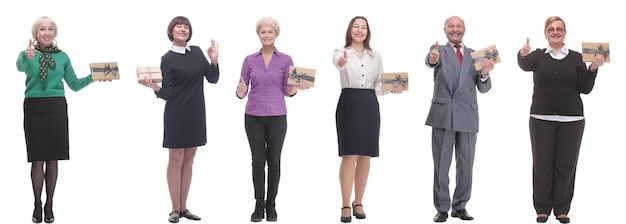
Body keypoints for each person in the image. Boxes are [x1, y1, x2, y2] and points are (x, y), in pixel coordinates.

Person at [517, 16, 604, 224]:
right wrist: (521, 54)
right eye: (551, 29)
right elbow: (524, 64)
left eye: (559, 29)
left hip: (572, 120)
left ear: (565, 32)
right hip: (541, 119)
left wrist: (593, 69)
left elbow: (585, 89)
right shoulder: (537, 55)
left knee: (566, 165)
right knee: (542, 164)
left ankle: (562, 209)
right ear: (545, 33)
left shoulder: (576, 58)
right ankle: (542, 209)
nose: (555, 32)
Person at [16, 16, 101, 223]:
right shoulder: (28, 54)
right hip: (34, 108)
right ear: (36, 33)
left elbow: (73, 83)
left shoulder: (63, 57)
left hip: (56, 107)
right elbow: (19, 67)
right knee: (37, 159)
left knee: (53, 158)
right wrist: (26, 57)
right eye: (42, 29)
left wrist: (93, 77)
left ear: (55, 33)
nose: (46, 32)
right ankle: (37, 203)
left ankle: (49, 204)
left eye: (50, 29)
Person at [138, 16, 219, 223]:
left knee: (190, 159)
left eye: (186, 26)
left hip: (196, 112)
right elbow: (168, 93)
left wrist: (214, 60)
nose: (182, 29)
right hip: (176, 113)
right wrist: (153, 87)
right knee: (175, 160)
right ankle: (174, 208)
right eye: (178, 26)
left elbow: (212, 79)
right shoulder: (167, 59)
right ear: (171, 31)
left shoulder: (198, 52)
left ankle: (184, 207)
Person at [236, 16, 309, 223]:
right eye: (263, 32)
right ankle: (259, 205)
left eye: (270, 32)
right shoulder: (249, 60)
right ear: (258, 35)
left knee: (274, 162)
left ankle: (271, 205)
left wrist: (297, 87)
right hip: (253, 116)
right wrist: (240, 91)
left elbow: (288, 90)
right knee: (258, 162)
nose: (266, 35)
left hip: (278, 116)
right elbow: (241, 89)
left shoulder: (286, 60)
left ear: (276, 34)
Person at [332, 16, 402, 223]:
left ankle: (359, 201)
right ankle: (345, 203)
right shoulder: (340, 52)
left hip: (369, 104)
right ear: (350, 30)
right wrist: (342, 61)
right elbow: (338, 62)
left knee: (365, 156)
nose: (360, 30)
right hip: (349, 104)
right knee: (349, 155)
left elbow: (379, 85)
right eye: (356, 26)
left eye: (363, 27)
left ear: (368, 32)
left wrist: (392, 88)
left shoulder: (375, 56)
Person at [424, 16, 494, 222]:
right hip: (443, 114)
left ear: (464, 29)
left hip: (467, 114)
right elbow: (430, 61)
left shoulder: (476, 55)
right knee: (441, 165)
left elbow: (484, 89)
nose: (455, 29)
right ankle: (442, 207)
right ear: (445, 29)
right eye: (451, 26)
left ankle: (460, 206)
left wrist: (484, 74)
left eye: (458, 26)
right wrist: (432, 59)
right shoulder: (439, 51)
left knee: (466, 164)